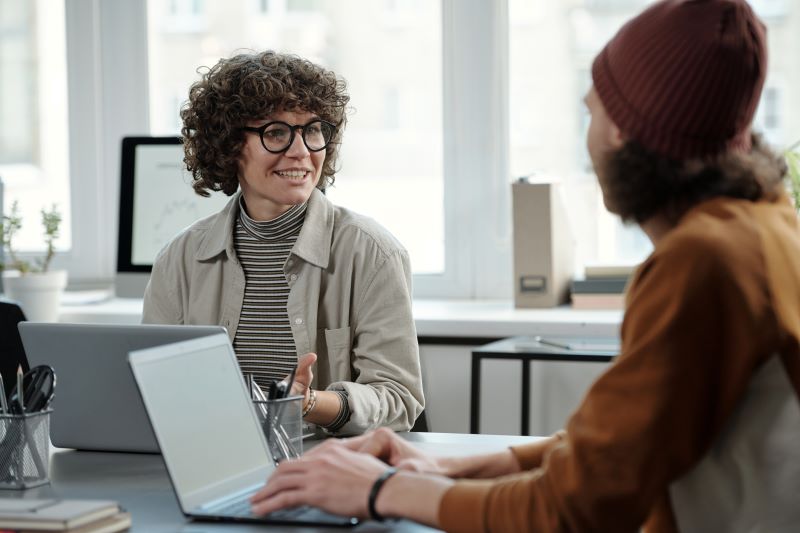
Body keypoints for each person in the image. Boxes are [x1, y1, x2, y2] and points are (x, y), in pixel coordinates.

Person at [250, 1, 800, 530]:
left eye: (592, 110)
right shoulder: (767, 229)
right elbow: (624, 445)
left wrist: (377, 490)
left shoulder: (703, 265)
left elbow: (568, 512)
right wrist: (453, 466)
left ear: (622, 130)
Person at [142, 51, 424, 436]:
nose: (302, 151)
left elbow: (397, 399)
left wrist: (310, 403)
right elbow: (155, 391)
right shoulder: (180, 259)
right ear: (228, 146)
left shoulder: (372, 252)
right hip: (210, 459)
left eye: (312, 130)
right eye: (276, 132)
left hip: (324, 469)